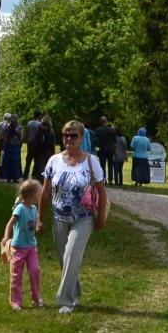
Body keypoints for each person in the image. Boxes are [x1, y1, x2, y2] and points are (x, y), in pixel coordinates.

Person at [39, 119, 107, 313]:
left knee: (71, 254)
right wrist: (40, 218)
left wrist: (101, 217)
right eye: (66, 135)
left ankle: (65, 301)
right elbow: (45, 191)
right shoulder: (54, 160)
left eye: (73, 135)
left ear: (81, 138)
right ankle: (75, 291)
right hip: (59, 217)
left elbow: (102, 191)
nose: (69, 139)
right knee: (65, 260)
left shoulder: (91, 161)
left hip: (83, 218)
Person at [3, 178, 44, 310]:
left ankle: (36, 298)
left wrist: (38, 226)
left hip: (31, 247)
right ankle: (16, 301)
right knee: (16, 275)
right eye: (39, 193)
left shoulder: (34, 208)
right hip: (18, 248)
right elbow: (10, 223)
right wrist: (6, 237)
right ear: (31, 195)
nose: (40, 196)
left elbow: (34, 222)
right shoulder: (20, 209)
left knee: (35, 270)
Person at [0, 113, 23, 182]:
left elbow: (5, 137)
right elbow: (21, 138)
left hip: (8, 146)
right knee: (15, 163)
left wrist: (4, 146)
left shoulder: (7, 127)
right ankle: (15, 177)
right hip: (16, 147)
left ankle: (8, 177)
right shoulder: (20, 128)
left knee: (8, 162)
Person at [23, 112, 43, 179]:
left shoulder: (29, 123)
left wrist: (26, 141)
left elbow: (27, 133)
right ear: (39, 116)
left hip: (30, 143)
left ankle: (25, 174)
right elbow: (40, 135)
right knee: (36, 160)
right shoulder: (40, 124)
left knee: (28, 159)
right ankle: (34, 175)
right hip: (36, 143)